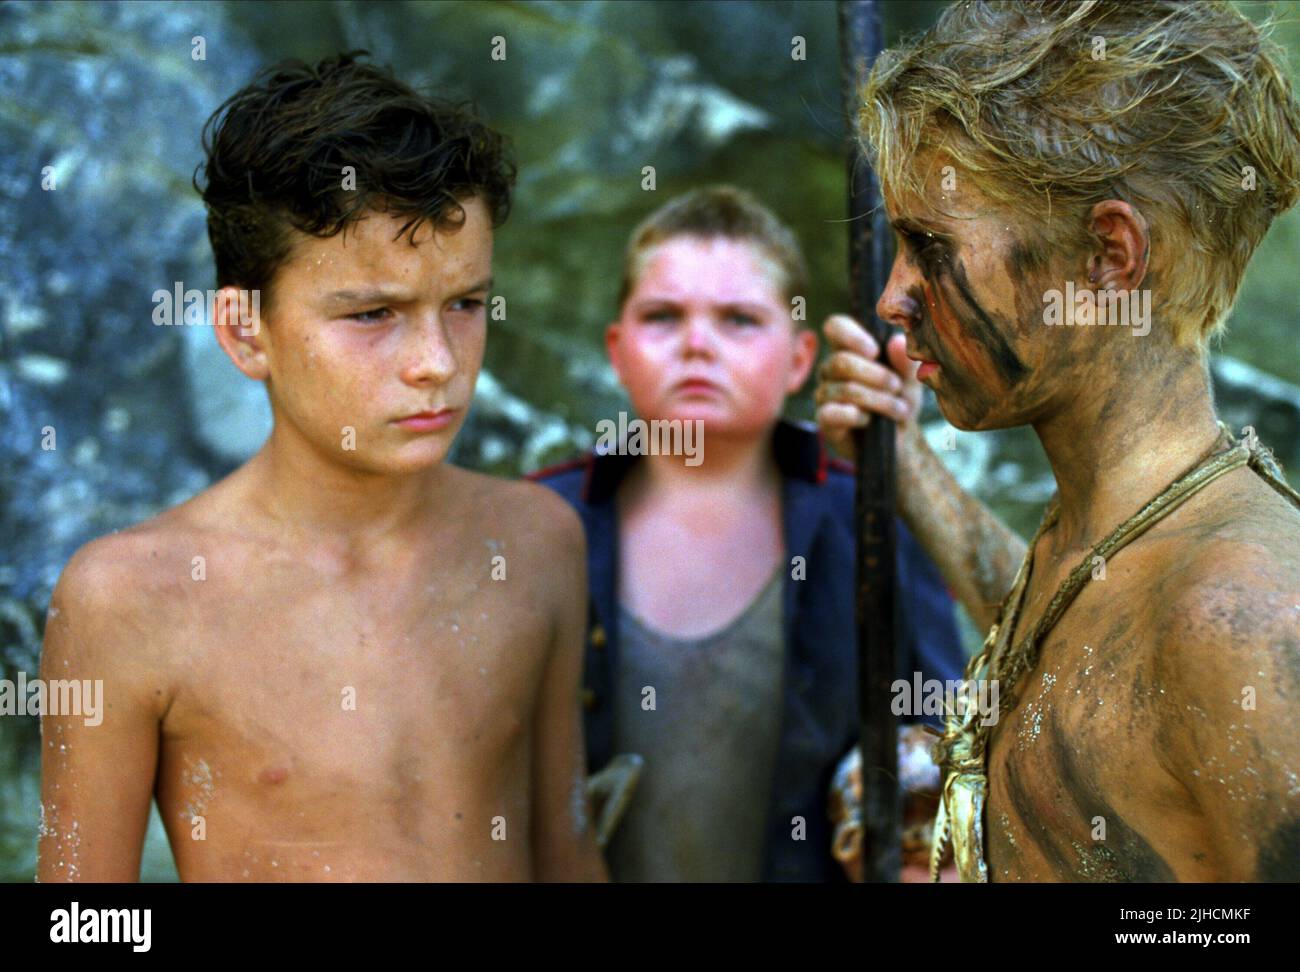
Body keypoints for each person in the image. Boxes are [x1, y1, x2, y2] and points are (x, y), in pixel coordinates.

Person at [37, 51, 607, 882]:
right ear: (243, 332)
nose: (436, 361)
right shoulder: (128, 601)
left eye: (465, 304)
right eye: (374, 313)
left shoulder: (536, 541)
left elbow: (569, 854)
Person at [816, 0, 1300, 881]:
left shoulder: (1242, 618)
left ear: (1110, 256)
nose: (892, 296)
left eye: (929, 245)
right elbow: (1078, 652)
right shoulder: (1112, 534)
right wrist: (904, 462)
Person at [530, 186, 966, 882]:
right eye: (663, 317)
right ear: (617, 349)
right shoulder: (539, 524)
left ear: (799, 360)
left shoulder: (875, 523)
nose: (697, 344)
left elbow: (949, 736)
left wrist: (915, 832)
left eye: (738, 320)